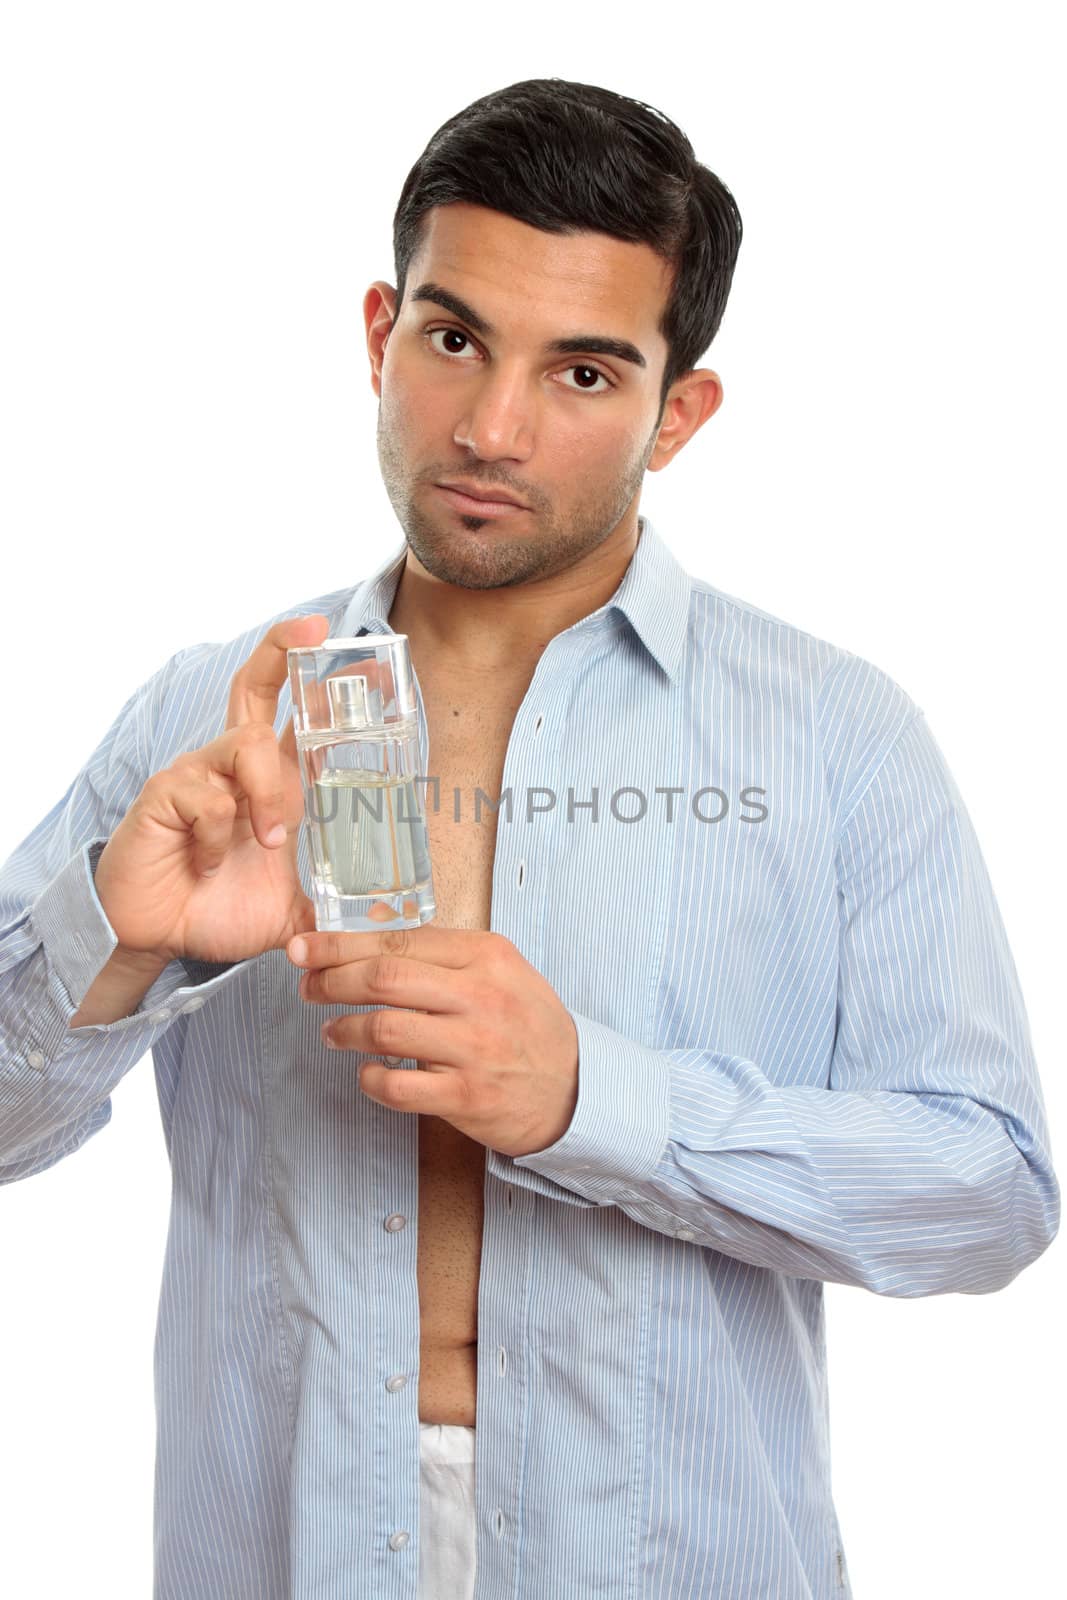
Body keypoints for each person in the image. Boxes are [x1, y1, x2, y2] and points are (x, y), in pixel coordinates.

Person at [0, 75, 1058, 1600]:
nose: (491, 427)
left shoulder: (834, 734)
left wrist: (592, 1098)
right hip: (282, 1551)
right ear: (382, 331)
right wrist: (117, 942)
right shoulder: (213, 713)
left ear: (675, 410)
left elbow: (991, 1189)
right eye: (453, 341)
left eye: (580, 374)